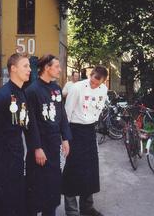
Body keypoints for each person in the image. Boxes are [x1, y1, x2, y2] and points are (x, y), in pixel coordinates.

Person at [25, 54, 72, 216]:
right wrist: (37, 147)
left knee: (52, 187)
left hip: (53, 145)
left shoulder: (57, 88)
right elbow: (31, 123)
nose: (60, 70)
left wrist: (65, 138)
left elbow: (62, 115)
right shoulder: (32, 90)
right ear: (47, 67)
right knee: (36, 187)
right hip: (40, 145)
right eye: (57, 66)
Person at [0, 53, 31, 216]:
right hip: (2, 161)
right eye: (25, 66)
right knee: (3, 203)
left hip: (17, 157)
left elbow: (23, 123)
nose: (29, 70)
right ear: (13, 68)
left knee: (16, 200)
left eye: (29, 66)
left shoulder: (22, 93)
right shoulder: (1, 96)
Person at [62, 66, 109, 216]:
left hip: (89, 131)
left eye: (97, 83)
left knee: (90, 171)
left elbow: (98, 108)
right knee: (72, 170)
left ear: (103, 81)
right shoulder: (76, 88)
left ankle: (87, 208)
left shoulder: (103, 90)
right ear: (90, 75)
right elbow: (66, 114)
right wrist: (65, 139)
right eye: (92, 81)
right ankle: (71, 210)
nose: (94, 85)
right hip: (75, 130)